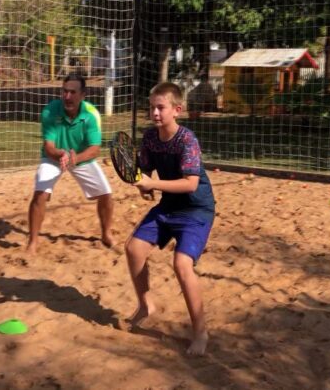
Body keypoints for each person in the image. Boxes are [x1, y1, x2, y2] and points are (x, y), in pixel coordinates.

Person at [124, 81, 215, 356]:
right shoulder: (151, 138)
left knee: (182, 264)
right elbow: (146, 170)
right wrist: (143, 184)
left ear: (177, 110)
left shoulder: (187, 140)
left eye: (160, 107)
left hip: (196, 210)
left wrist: (153, 185)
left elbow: (189, 184)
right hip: (168, 205)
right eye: (151, 107)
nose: (154, 113)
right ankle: (145, 304)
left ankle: (200, 332)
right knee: (133, 248)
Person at [27, 73, 114, 254]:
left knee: (106, 194)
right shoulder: (50, 111)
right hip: (54, 157)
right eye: (64, 92)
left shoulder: (91, 115)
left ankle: (106, 233)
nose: (67, 97)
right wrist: (61, 154)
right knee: (40, 193)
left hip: (81, 157)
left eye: (73, 92)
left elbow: (95, 148)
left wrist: (76, 158)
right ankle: (33, 241)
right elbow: (48, 146)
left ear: (83, 95)